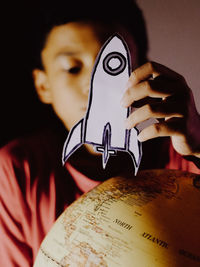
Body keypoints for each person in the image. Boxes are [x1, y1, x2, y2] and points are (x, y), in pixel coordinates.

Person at [0, 0, 200, 266]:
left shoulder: (182, 159)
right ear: (42, 85)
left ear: (141, 74)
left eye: (114, 66)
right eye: (73, 68)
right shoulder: (19, 170)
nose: (93, 86)